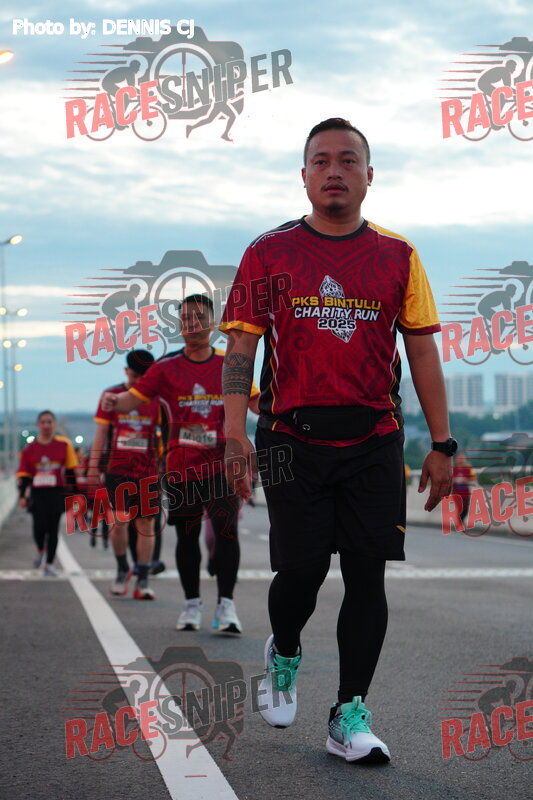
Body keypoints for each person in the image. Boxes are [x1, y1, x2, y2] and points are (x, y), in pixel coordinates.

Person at [220, 118, 455, 764]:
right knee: (301, 571)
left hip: (374, 440)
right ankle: (285, 649)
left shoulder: (398, 255)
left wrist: (443, 443)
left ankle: (349, 713)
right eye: (320, 160)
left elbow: (422, 350)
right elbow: (240, 346)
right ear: (303, 176)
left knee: (366, 574)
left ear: (368, 176)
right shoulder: (269, 253)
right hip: (290, 438)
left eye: (348, 160)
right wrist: (234, 432)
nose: (334, 171)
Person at [101, 294, 259, 633]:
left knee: (226, 532)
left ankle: (226, 606)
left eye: (198, 317)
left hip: (221, 465)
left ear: (212, 323)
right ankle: (191, 605)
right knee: (187, 537)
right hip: (182, 469)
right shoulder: (165, 368)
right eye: (185, 318)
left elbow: (257, 402)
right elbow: (133, 399)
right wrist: (115, 401)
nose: (192, 324)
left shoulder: (230, 364)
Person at [88, 349, 160, 600]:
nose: (138, 382)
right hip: (118, 470)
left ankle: (143, 578)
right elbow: (101, 433)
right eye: (134, 376)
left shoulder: (157, 398)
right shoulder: (112, 396)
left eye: (144, 377)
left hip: (148, 470)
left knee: (146, 524)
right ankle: (122, 570)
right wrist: (93, 468)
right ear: (126, 371)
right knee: (119, 522)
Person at [17, 410, 78, 576]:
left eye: (49, 422)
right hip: (38, 494)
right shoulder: (30, 449)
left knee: (52, 529)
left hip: (56, 493)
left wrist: (75, 494)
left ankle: (49, 563)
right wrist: (22, 496)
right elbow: (24, 475)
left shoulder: (64, 446)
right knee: (39, 528)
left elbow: (70, 472)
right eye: (43, 422)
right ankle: (40, 549)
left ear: (54, 424)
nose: (46, 425)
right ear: (38, 425)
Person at [452, 452, 476, 524]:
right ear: (456, 459)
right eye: (459, 458)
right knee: (459, 507)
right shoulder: (453, 469)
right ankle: (460, 521)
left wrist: (466, 480)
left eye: (462, 458)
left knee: (466, 507)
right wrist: (455, 480)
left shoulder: (468, 468)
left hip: (465, 491)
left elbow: (473, 478)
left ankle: (461, 520)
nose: (461, 460)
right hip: (456, 492)